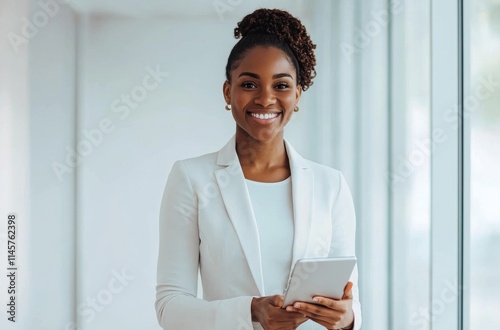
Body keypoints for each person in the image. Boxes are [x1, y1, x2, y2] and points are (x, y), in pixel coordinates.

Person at [155, 8, 361, 330]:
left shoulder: (330, 186)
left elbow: (351, 305)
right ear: (228, 92)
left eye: (281, 86)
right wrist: (251, 311)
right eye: (250, 84)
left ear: (297, 95)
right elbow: (170, 308)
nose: (266, 99)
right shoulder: (191, 178)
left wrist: (345, 318)